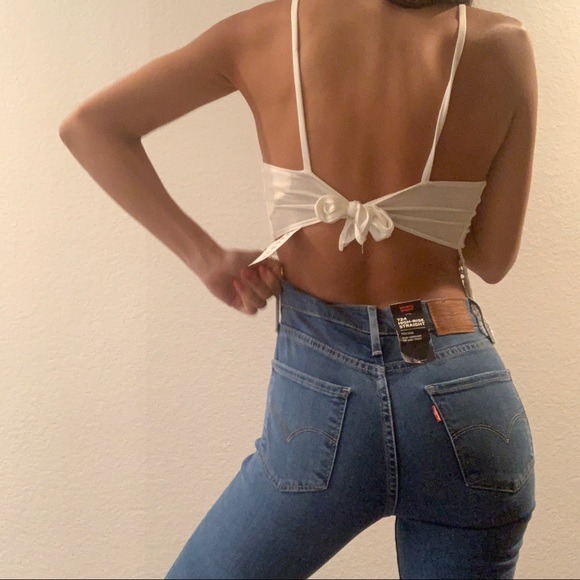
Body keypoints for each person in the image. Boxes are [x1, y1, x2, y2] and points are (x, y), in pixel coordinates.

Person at [59, 0, 538, 577]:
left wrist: (207, 258)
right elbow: (492, 258)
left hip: (324, 392)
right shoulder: (502, 43)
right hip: (463, 393)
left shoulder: (265, 31)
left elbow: (89, 127)